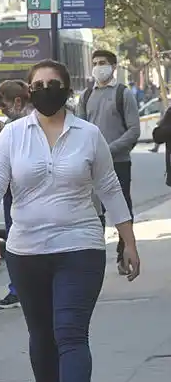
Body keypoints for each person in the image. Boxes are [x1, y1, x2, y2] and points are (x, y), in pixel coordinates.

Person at [0, 60, 140, 382]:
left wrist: (128, 242)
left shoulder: (88, 135)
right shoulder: (13, 135)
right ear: (27, 91)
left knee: (69, 329)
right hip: (26, 249)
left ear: (67, 90)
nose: (45, 89)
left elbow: (110, 189)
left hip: (79, 246)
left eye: (54, 83)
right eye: (38, 84)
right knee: (41, 331)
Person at [77, 50, 140, 274]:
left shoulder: (123, 93)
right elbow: (79, 130)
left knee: (122, 209)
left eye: (102, 63)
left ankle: (125, 254)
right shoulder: (85, 96)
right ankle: (94, 257)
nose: (98, 67)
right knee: (94, 213)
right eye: (94, 63)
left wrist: (108, 150)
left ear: (113, 67)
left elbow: (134, 130)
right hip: (91, 166)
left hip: (118, 162)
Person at [0, 79, 33, 310]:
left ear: (18, 101)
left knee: (18, 241)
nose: (5, 110)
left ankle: (19, 289)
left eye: (5, 106)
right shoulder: (13, 125)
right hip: (13, 191)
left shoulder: (19, 127)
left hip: (19, 192)